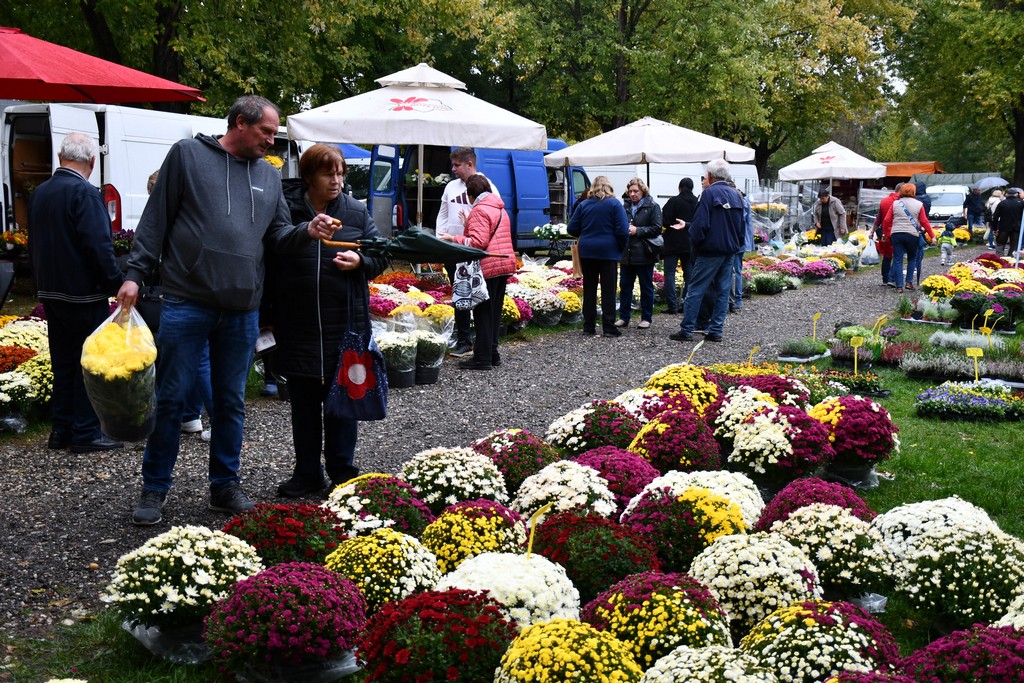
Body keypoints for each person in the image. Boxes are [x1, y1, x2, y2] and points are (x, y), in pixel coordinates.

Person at [118, 95, 339, 525]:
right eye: (266, 133)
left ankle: (224, 486)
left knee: (231, 402)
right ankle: (154, 488)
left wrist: (306, 231)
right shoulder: (187, 156)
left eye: (274, 134)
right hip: (187, 301)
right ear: (240, 122)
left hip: (242, 309)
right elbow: (155, 219)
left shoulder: (269, 177)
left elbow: (276, 236)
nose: (271, 142)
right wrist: (135, 273)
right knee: (171, 398)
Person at [268, 143, 386, 497]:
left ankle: (342, 471)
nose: (335, 180)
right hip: (297, 322)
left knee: (343, 402)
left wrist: (361, 264)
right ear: (308, 176)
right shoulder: (287, 209)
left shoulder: (354, 210)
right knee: (303, 405)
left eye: (339, 173)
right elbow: (272, 247)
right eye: (327, 173)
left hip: (344, 324)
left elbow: (380, 253)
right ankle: (306, 473)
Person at [27, 133, 124, 454]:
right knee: (88, 362)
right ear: (92, 163)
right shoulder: (85, 193)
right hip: (83, 294)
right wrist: (115, 283)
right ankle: (85, 431)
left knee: (64, 363)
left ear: (59, 156)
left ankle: (61, 430)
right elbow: (98, 246)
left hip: (51, 292)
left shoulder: (40, 193)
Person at [439, 173, 516, 369]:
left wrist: (453, 238)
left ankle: (482, 358)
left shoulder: (480, 210)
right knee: (494, 312)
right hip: (503, 265)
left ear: (472, 195)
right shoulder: (498, 207)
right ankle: (492, 353)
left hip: (488, 266)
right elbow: (491, 234)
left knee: (483, 312)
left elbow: (479, 242)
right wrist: (468, 224)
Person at [669, 159, 745, 343]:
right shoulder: (736, 195)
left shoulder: (708, 194)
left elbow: (701, 225)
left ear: (710, 176)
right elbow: (740, 225)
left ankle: (687, 329)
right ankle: (716, 330)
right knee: (723, 291)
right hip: (729, 250)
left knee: (695, 289)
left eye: (704, 176)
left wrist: (695, 242)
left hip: (709, 250)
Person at [436, 147, 498, 358]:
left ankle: (485, 342)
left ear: (469, 164)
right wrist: (439, 239)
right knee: (458, 292)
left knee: (479, 294)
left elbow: (495, 215)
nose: (453, 169)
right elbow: (443, 215)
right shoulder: (451, 187)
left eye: (457, 165)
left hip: (475, 248)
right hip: (453, 247)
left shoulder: (487, 186)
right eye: (452, 165)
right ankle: (464, 340)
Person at [566, 175, 629, 337]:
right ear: (609, 187)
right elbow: (622, 230)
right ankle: (608, 327)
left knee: (589, 289)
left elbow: (571, 228)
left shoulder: (584, 205)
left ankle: (588, 326)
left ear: (592, 187)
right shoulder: (615, 204)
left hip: (587, 252)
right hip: (608, 252)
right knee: (608, 290)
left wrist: (586, 232)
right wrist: (620, 248)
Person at [615, 177, 662, 329]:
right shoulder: (625, 207)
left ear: (643, 191)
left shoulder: (653, 206)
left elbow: (657, 228)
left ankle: (646, 317)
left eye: (636, 191)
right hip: (627, 254)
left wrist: (638, 230)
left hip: (644, 253)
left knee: (646, 287)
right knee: (625, 287)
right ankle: (624, 317)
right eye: (630, 191)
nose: (633, 194)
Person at [882, 182, 934, 293]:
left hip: (897, 234)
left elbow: (886, 220)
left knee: (897, 259)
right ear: (913, 192)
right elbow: (924, 221)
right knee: (912, 258)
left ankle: (899, 286)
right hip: (912, 235)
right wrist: (932, 236)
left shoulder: (895, 203)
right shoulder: (919, 204)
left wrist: (886, 234)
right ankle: (909, 282)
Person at [659, 178, 698, 314]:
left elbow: (664, 220)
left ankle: (672, 306)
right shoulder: (696, 202)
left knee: (669, 274)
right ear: (692, 188)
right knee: (689, 275)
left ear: (679, 187)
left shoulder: (673, 201)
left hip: (672, 242)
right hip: (690, 242)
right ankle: (686, 305)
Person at [729, 181, 754, 313]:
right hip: (742, 241)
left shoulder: (739, 201)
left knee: (733, 271)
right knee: (737, 271)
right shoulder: (744, 199)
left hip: (736, 241)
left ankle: (736, 300)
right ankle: (737, 300)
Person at [872, 183, 902, 287]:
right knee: (898, 256)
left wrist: (873, 230)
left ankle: (885, 278)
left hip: (885, 233)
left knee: (886, 256)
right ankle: (891, 278)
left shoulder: (884, 201)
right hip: (897, 232)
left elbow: (879, 218)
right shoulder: (901, 202)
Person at [992, 187, 1024, 257]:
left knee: (1000, 244)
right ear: (1016, 194)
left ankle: (999, 259)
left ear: (1007, 194)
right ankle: (1011, 259)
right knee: (1014, 245)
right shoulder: (1021, 203)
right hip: (1016, 227)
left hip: (1003, 227)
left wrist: (995, 228)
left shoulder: (1002, 203)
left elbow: (995, 217)